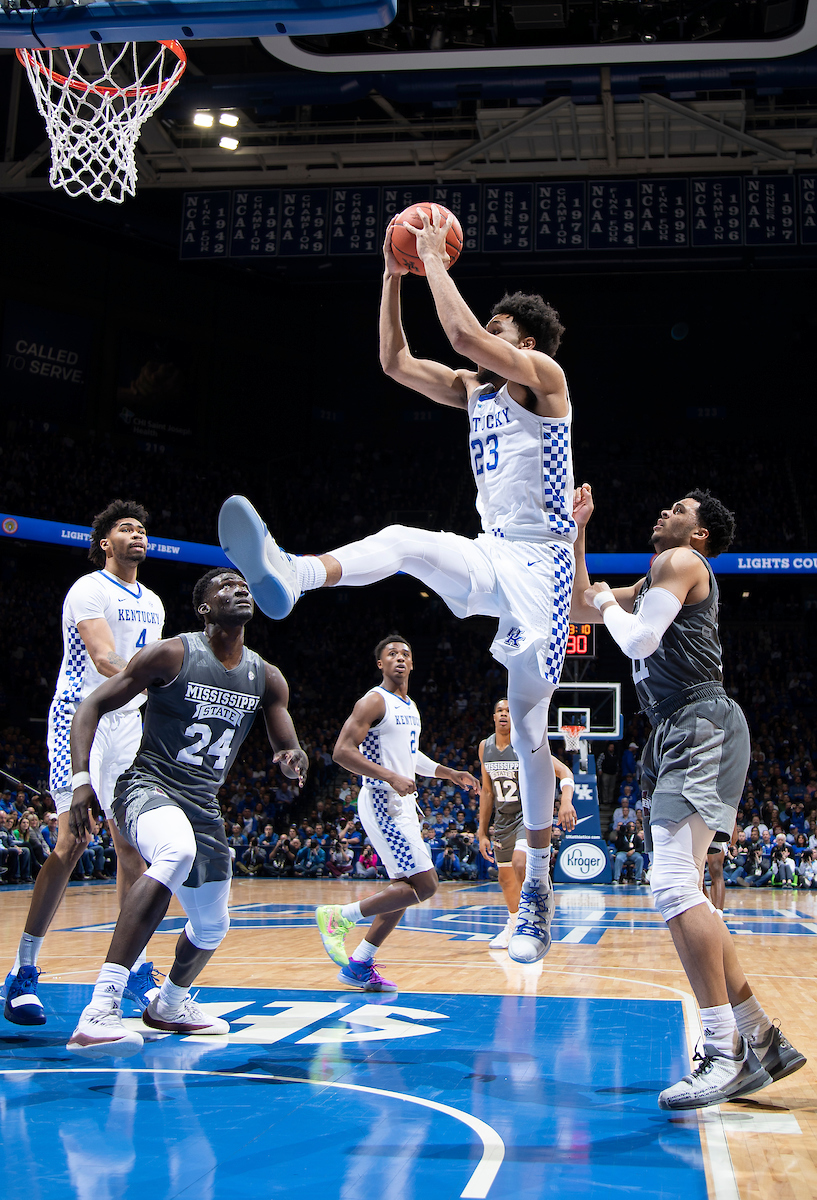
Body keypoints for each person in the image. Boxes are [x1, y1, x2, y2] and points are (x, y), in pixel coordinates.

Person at [219, 208, 576, 965]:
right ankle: (297, 572)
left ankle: (537, 894)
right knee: (402, 540)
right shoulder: (472, 391)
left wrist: (431, 256)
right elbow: (393, 361)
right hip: (493, 552)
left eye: (498, 328)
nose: (486, 332)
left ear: (528, 344)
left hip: (543, 567)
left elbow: (459, 337)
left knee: (532, 732)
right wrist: (391, 273)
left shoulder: (544, 380)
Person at [571, 483, 805, 1110]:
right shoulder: (654, 581)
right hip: (681, 731)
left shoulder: (679, 563)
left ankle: (724, 1050)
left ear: (699, 535)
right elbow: (578, 608)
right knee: (686, 889)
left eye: (678, 510)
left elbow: (638, 641)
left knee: (673, 884)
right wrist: (580, 529)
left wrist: (607, 603)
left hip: (699, 725)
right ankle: (759, 1035)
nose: (664, 511)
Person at [63, 568, 307, 1055]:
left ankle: (169, 1004)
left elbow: (286, 743)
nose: (239, 590)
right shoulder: (172, 653)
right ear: (204, 608)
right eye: (226, 587)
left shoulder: (267, 677)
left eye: (243, 586)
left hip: (203, 804)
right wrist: (81, 783)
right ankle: (100, 1010)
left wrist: (291, 758)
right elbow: (90, 706)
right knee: (174, 851)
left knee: (214, 926)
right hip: (147, 785)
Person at [4, 500, 165, 1027]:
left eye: (142, 529)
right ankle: (23, 971)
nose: (137, 534)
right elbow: (103, 658)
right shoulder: (89, 588)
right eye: (125, 528)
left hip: (128, 727)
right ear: (104, 542)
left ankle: (134, 969)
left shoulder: (156, 602)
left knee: (132, 847)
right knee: (72, 842)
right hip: (83, 717)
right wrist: (157, 686)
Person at [314, 635, 477, 992]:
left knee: (405, 888)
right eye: (392, 654)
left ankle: (359, 964)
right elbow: (342, 751)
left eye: (406, 653)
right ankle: (339, 917)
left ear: (413, 663)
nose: (399, 658)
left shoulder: (410, 706)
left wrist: (449, 773)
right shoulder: (374, 701)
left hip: (401, 804)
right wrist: (389, 775)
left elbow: (411, 758)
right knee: (426, 884)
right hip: (381, 801)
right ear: (381, 664)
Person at [478, 697, 576, 949]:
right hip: (502, 820)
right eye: (499, 710)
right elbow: (487, 793)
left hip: (526, 815)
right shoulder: (484, 747)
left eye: (509, 711)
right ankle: (513, 925)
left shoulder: (526, 743)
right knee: (505, 879)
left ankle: (535, 913)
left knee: (521, 863)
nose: (503, 714)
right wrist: (481, 832)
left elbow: (564, 771)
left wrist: (565, 802)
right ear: (493, 717)